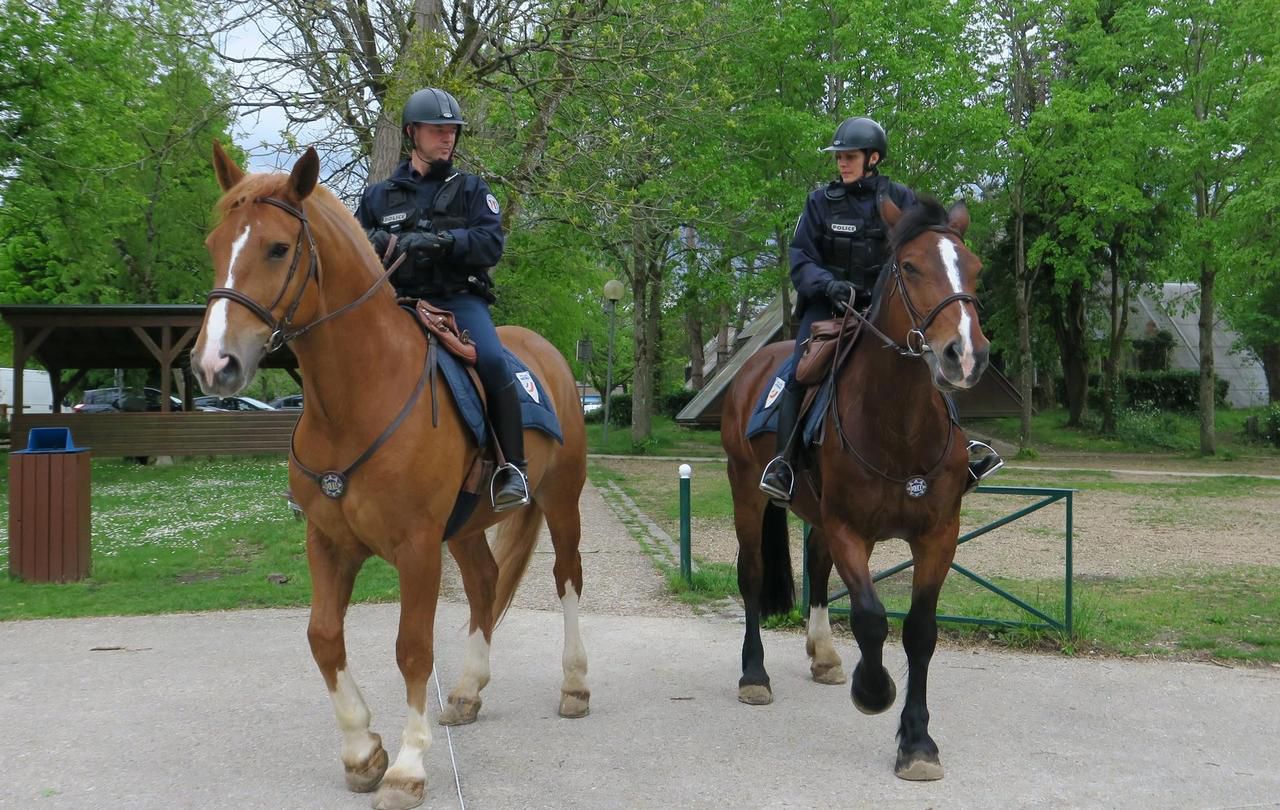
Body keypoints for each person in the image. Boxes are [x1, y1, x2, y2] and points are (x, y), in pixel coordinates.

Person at [357, 87, 529, 511]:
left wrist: (442, 242)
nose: (447, 138)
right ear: (412, 132)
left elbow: (491, 242)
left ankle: (513, 469)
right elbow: (353, 250)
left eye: (452, 131)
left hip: (458, 302)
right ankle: (326, 471)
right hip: (398, 303)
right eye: (438, 130)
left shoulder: (471, 189)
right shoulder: (378, 196)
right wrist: (373, 241)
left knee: (491, 359)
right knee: (343, 359)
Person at [758, 116, 917, 502]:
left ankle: (963, 457)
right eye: (839, 157)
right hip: (829, 310)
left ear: (873, 158)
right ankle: (784, 466)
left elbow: (918, 251)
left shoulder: (901, 200)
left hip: (883, 312)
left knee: (929, 360)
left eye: (849, 156)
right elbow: (800, 258)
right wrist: (828, 285)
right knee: (800, 372)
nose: (841, 163)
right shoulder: (818, 203)